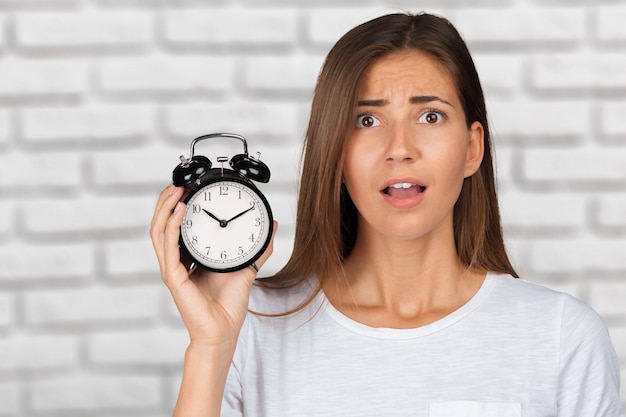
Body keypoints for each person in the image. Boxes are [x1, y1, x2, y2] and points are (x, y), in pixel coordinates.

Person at [150, 12, 624, 417]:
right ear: (335, 153)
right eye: (367, 120)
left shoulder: (562, 337)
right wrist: (210, 348)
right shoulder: (248, 331)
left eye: (430, 116)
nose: (400, 149)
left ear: (472, 148)